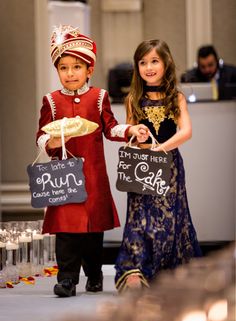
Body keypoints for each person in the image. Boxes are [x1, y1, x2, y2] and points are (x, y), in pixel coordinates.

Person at [36, 25, 149, 297]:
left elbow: (110, 128)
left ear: (89, 70)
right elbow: (41, 135)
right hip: (65, 175)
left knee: (92, 230)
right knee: (66, 230)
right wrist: (50, 142)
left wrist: (131, 130)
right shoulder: (50, 102)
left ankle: (94, 274)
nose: (70, 73)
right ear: (57, 71)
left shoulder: (99, 98)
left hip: (94, 175)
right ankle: (66, 278)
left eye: (77, 67)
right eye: (63, 68)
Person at [115, 39, 202, 293]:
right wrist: (135, 137)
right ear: (137, 67)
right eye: (143, 62)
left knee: (169, 219)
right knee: (138, 219)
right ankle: (135, 270)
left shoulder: (176, 97)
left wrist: (160, 149)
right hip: (139, 166)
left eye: (154, 61)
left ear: (166, 64)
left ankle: (167, 271)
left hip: (169, 167)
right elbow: (128, 133)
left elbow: (186, 132)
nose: (148, 67)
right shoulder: (133, 98)